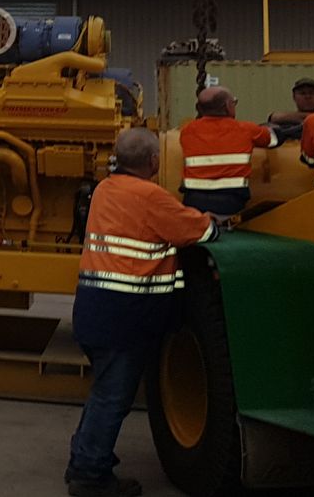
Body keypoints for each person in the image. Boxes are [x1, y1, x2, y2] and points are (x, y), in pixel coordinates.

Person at [65, 127, 220, 497]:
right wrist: (212, 221)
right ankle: (89, 476)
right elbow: (199, 232)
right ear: (154, 162)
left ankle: (83, 460)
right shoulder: (151, 196)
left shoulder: (105, 189)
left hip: (92, 309)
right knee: (112, 397)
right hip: (125, 316)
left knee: (104, 391)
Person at [178, 86, 278, 219]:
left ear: (199, 108)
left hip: (194, 202)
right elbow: (272, 140)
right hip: (230, 203)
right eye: (234, 102)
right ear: (227, 106)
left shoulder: (187, 131)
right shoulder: (246, 130)